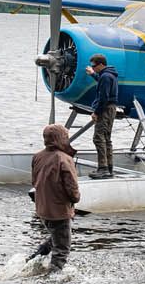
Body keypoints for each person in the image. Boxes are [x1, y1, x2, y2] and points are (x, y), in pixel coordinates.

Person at [31, 123, 81, 270]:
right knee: (62, 250)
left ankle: (33, 260)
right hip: (59, 211)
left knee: (55, 238)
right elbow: (72, 188)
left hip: (42, 209)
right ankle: (53, 283)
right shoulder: (64, 159)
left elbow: (34, 182)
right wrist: (76, 199)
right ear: (61, 138)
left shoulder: (37, 156)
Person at [85, 52, 119, 178]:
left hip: (104, 109)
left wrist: (96, 112)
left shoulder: (105, 76)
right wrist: (93, 74)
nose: (93, 68)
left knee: (98, 138)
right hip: (111, 108)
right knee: (107, 138)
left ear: (100, 65)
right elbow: (103, 82)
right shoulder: (109, 74)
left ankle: (103, 169)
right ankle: (109, 168)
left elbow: (103, 97)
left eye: (94, 66)